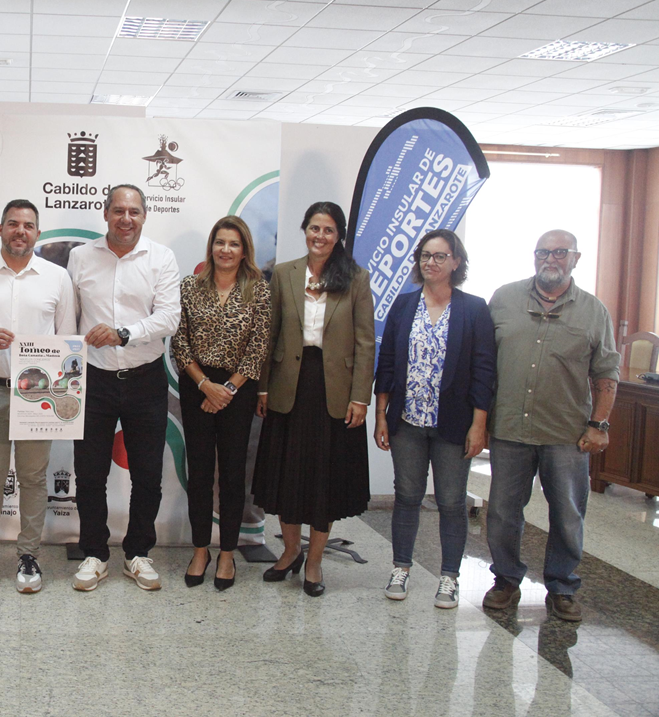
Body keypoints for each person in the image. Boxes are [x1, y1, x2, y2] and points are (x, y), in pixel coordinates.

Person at [482, 230, 619, 622]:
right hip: (509, 428)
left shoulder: (594, 311)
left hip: (567, 434)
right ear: (534, 256)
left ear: (576, 258)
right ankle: (506, 579)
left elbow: (607, 371)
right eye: (544, 252)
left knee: (567, 513)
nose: (551, 259)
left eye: (560, 252)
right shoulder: (504, 299)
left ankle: (562, 587)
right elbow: (484, 361)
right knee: (504, 512)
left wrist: (599, 424)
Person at [0, 200, 77, 593]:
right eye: (13, 224)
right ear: (0, 229)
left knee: (34, 478)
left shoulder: (57, 278)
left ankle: (29, 555)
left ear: (38, 233)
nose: (20, 231)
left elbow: (69, 340)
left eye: (28, 225)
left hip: (39, 395)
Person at [254, 201, 375, 598]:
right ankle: (290, 552)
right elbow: (269, 334)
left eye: (327, 230)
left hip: (334, 390)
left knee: (324, 479)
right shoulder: (285, 273)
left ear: (338, 235)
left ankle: (316, 561)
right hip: (290, 385)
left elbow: (365, 342)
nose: (319, 236)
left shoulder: (355, 278)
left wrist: (361, 397)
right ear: (304, 230)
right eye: (313, 228)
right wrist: (263, 387)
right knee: (288, 476)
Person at [373, 229, 496, 608]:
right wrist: (381, 414)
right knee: (407, 497)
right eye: (425, 255)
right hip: (407, 422)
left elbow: (483, 370)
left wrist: (479, 424)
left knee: (451, 502)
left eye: (440, 256)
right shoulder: (404, 305)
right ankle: (401, 569)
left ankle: (449, 577)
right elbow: (388, 364)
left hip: (454, 425)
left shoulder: (474, 309)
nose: (431, 262)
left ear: (456, 262)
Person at [67, 184, 181, 591]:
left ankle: (138, 553)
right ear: (105, 213)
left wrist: (123, 333)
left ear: (144, 216)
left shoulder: (161, 258)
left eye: (134, 211)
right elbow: (70, 319)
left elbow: (169, 318)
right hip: (93, 380)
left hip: (145, 379)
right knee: (89, 473)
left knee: (148, 473)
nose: (126, 219)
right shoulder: (80, 257)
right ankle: (95, 553)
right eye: (118, 211)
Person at [171, 215, 271, 591]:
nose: (225, 250)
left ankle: (227, 553)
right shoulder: (190, 287)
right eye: (219, 242)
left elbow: (259, 346)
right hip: (197, 384)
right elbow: (178, 342)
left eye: (233, 243)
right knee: (199, 472)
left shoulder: (258, 289)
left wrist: (226, 389)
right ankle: (201, 549)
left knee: (231, 474)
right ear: (211, 247)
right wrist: (205, 385)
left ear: (244, 249)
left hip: (238, 389)